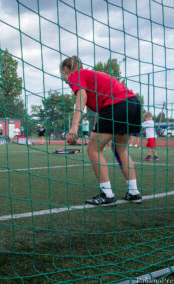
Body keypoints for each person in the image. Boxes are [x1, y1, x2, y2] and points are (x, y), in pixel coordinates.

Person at [61, 55, 142, 205]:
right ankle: (134, 192)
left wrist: (74, 127)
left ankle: (107, 194)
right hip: (133, 103)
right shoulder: (91, 76)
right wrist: (95, 133)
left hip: (117, 105)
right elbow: (101, 109)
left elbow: (82, 97)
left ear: (65, 69)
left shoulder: (75, 75)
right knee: (120, 149)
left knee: (92, 149)